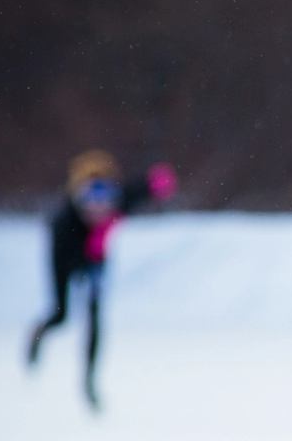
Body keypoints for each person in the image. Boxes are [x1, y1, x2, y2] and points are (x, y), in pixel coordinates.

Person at [25, 150, 178, 410]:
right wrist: (90, 248)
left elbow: (143, 187)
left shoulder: (118, 202)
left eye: (105, 195)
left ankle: (89, 382)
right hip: (66, 258)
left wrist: (159, 182)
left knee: (95, 320)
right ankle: (38, 334)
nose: (98, 205)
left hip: (94, 260)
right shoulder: (63, 224)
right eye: (90, 196)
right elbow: (66, 256)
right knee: (61, 315)